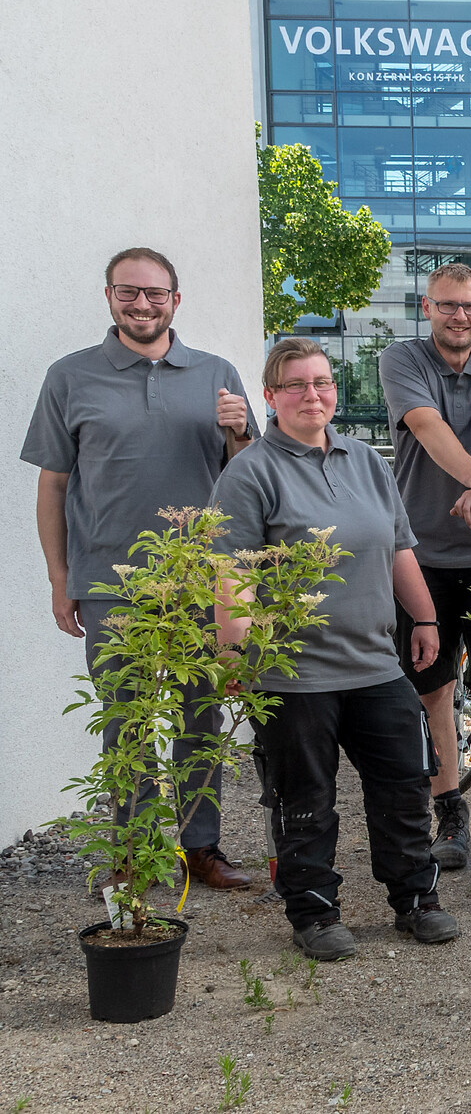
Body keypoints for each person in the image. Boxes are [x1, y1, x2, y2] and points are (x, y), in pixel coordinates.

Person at [212, 338, 459, 961]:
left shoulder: (367, 461)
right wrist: (234, 653)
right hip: (295, 675)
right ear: (269, 396)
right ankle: (315, 912)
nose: (312, 395)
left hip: (376, 663)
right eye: (295, 385)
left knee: (405, 785)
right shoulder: (250, 473)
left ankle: (415, 900)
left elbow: (398, 546)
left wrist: (424, 617)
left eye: (322, 382)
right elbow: (233, 573)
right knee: (306, 801)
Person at [21, 247, 259, 892]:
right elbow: (53, 485)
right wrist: (58, 575)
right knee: (125, 719)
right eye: (130, 292)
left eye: (156, 294)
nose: (143, 304)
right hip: (110, 581)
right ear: (109, 296)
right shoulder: (70, 377)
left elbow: (249, 476)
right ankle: (135, 848)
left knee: (200, 714)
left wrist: (240, 433)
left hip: (200, 581)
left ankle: (200, 849)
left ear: (176, 301)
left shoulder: (216, 372)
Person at [378, 262, 471, 871]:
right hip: (421, 556)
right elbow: (427, 426)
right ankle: (450, 809)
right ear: (427, 308)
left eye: (470, 306)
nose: (460, 316)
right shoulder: (401, 359)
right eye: (448, 305)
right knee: (432, 687)